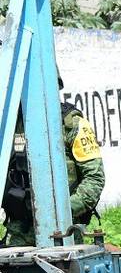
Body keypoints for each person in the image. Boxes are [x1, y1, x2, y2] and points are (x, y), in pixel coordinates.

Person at [2, 80, 105, 247]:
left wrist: (64, 210)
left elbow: (94, 178)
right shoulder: (11, 123)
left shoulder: (72, 124)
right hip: (19, 230)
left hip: (62, 229)